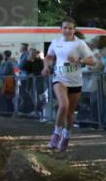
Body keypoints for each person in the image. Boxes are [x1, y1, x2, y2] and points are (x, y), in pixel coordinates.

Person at [42, 17, 97, 152]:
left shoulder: (80, 44)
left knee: (70, 113)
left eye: (70, 28)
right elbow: (49, 57)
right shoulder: (55, 42)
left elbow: (92, 61)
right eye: (65, 27)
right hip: (59, 77)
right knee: (63, 105)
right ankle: (56, 133)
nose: (67, 30)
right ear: (61, 29)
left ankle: (66, 135)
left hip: (75, 81)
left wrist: (79, 60)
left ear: (74, 30)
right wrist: (46, 67)